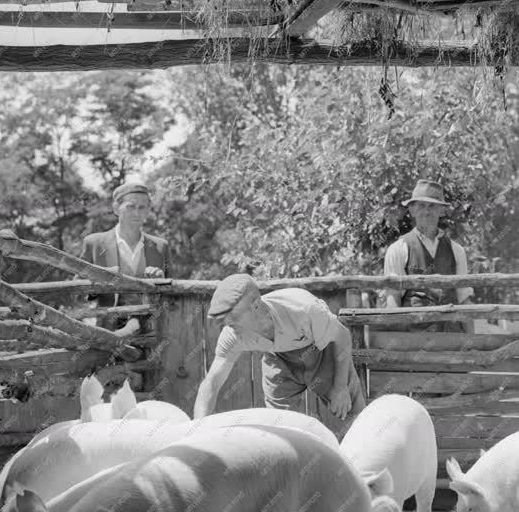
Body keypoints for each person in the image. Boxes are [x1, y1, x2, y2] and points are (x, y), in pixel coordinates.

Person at [194, 274, 365, 438]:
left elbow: (342, 336)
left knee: (353, 419)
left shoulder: (303, 309)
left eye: (233, 316)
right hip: (278, 360)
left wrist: (341, 387)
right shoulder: (232, 334)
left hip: (322, 353)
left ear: (255, 306)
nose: (227, 324)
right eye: (224, 318)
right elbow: (212, 382)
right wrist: (197, 429)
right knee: (280, 429)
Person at [81, 182, 170, 335]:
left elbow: (172, 297)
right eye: (131, 206)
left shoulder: (161, 246)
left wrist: (161, 281)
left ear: (148, 210)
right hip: (107, 328)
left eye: (142, 207)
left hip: (152, 332)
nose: (137, 213)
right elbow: (78, 292)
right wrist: (95, 285)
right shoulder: (94, 243)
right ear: (116, 208)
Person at [383, 179, 473, 309]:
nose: (426, 212)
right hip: (414, 328)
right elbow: (393, 299)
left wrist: (471, 330)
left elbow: (464, 299)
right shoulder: (398, 249)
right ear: (412, 210)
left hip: (451, 329)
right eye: (421, 205)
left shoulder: (456, 250)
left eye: (432, 206)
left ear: (442, 211)